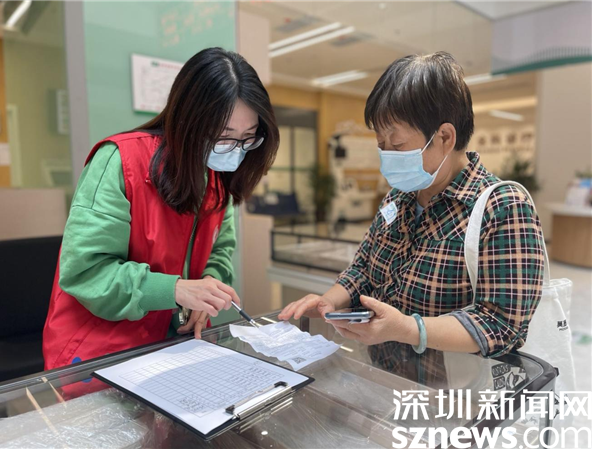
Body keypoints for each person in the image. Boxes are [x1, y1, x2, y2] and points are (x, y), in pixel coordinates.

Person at [279, 52, 544, 358]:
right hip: (385, 371)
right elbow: (364, 267)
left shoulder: (503, 208)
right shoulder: (398, 197)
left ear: (445, 137)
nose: (388, 156)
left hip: (456, 382)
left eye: (398, 145)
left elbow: (501, 325)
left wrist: (408, 329)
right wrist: (330, 301)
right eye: (381, 146)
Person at [43, 48, 279, 370]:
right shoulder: (121, 162)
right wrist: (176, 290)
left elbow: (220, 250)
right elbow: (87, 272)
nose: (235, 152)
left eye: (248, 138)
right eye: (223, 137)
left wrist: (207, 289)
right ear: (188, 122)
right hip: (101, 351)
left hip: (177, 346)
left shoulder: (217, 175)